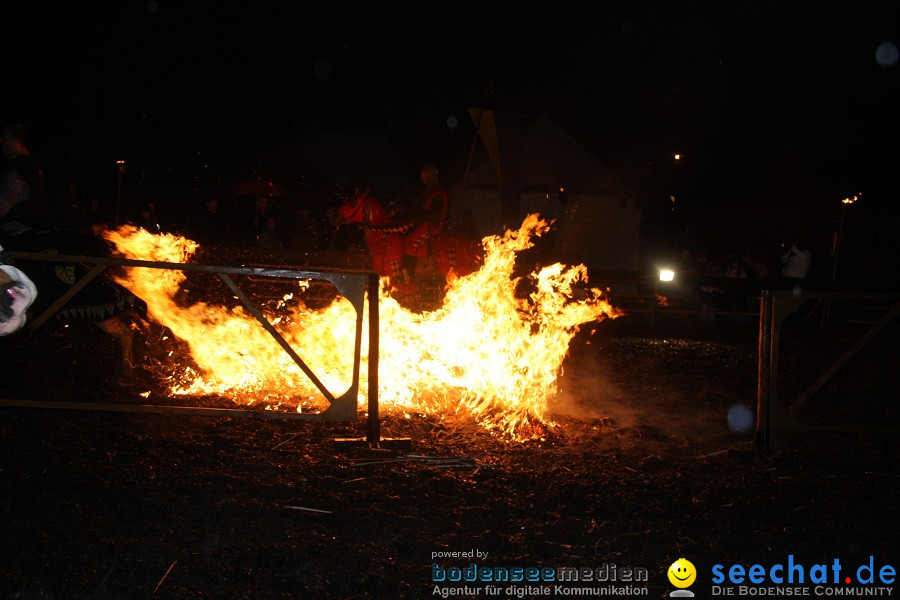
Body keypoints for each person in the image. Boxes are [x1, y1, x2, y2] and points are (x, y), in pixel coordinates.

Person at [0, 123, 51, 251]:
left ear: (15, 142)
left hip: (19, 238)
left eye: (5, 139)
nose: (1, 143)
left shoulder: (19, 167)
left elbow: (6, 202)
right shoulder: (30, 165)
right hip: (29, 234)